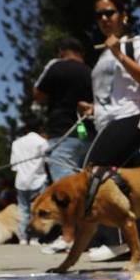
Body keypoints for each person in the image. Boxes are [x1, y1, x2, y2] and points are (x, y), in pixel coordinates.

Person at [77, 0, 140, 262]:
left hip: (130, 118)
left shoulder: (137, 44)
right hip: (107, 121)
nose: (104, 18)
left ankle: (118, 242)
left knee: (93, 173)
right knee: (128, 185)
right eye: (99, 14)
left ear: (124, 15)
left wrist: (119, 53)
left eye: (109, 12)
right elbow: (113, 93)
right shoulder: (103, 54)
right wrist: (92, 109)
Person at [33, 37, 93, 183]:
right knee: (83, 180)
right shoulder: (91, 72)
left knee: (66, 186)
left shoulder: (56, 67)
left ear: (61, 51)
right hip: (85, 132)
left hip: (62, 132)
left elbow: (38, 95)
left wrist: (47, 69)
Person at [10, 121, 49, 243]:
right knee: (37, 210)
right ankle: (35, 237)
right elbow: (48, 160)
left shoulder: (16, 143)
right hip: (38, 179)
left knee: (23, 210)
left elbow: (13, 166)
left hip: (21, 181)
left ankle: (22, 238)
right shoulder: (42, 142)